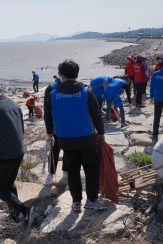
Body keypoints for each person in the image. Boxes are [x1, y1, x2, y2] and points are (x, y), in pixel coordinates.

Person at [45, 59, 106, 213]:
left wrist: (49, 133)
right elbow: (97, 115)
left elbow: (48, 117)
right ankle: (91, 201)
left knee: (73, 171)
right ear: (77, 75)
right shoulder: (86, 92)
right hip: (86, 138)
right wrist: (101, 132)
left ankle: (76, 203)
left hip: (65, 141)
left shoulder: (53, 95)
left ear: (60, 75)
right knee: (91, 169)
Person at [0, 74, 35, 227]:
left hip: (6, 153)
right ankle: (14, 216)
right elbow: (21, 128)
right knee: (9, 185)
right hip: (18, 150)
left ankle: (25, 211)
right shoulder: (13, 104)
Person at [43, 76, 67, 185]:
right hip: (55, 126)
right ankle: (51, 173)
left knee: (67, 149)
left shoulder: (73, 88)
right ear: (59, 74)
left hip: (68, 125)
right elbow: (47, 111)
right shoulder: (51, 88)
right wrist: (49, 132)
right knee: (54, 150)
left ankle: (65, 172)